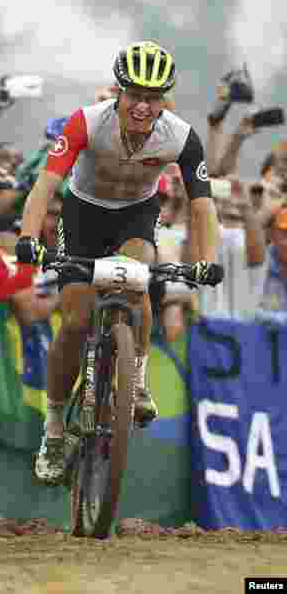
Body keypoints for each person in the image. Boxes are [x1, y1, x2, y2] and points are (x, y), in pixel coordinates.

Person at [15, 41, 223, 485]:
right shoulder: (86, 123)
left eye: (153, 98)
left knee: (138, 275)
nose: (143, 107)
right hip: (83, 214)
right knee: (74, 321)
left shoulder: (181, 136)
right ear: (118, 93)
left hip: (136, 216)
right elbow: (45, 186)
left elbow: (203, 207)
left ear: (164, 100)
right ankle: (54, 428)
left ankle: (136, 380)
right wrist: (28, 237)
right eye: (135, 96)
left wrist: (207, 261)